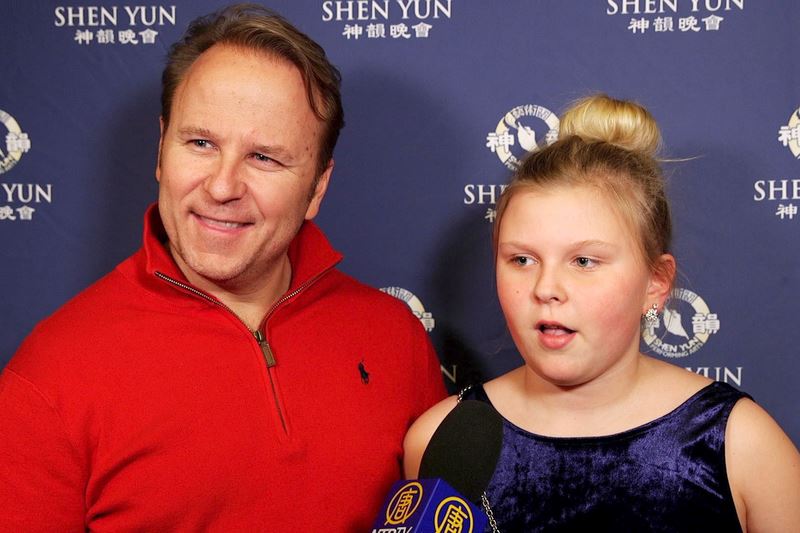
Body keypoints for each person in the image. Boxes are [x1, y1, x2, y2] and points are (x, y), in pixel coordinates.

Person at [0, 4, 445, 531]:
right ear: (161, 151)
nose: (222, 186)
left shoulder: (396, 338)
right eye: (201, 143)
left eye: (264, 157)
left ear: (317, 188)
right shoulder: (50, 375)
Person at [404, 95, 800, 531]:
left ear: (656, 282)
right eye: (522, 259)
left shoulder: (740, 444)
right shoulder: (440, 442)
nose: (546, 289)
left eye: (584, 261)